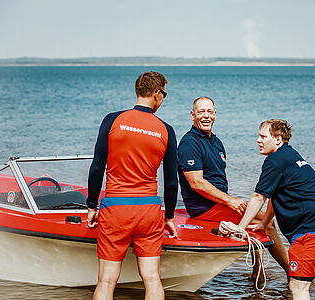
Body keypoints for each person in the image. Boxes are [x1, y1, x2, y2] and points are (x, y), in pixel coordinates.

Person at [86, 71, 178, 300]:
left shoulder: (112, 120)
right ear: (157, 94)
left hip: (115, 209)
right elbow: (171, 180)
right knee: (152, 278)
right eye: (164, 94)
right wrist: (169, 216)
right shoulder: (166, 129)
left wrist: (91, 206)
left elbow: (97, 167)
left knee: (107, 280)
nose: (163, 100)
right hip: (148, 210)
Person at [177, 97, 289, 274]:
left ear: (215, 115)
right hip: (203, 207)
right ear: (192, 115)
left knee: (254, 214)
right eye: (201, 112)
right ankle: (291, 272)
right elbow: (196, 183)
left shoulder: (216, 142)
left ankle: (257, 273)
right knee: (265, 221)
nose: (206, 116)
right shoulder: (189, 143)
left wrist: (229, 201)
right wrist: (230, 201)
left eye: (210, 112)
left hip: (218, 202)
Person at [237, 119, 315, 300]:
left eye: (263, 136)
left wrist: (240, 227)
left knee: (297, 286)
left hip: (310, 232)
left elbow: (259, 197)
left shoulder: (275, 160)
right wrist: (263, 223)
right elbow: (274, 195)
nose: (258, 140)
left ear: (278, 139)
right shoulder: (291, 155)